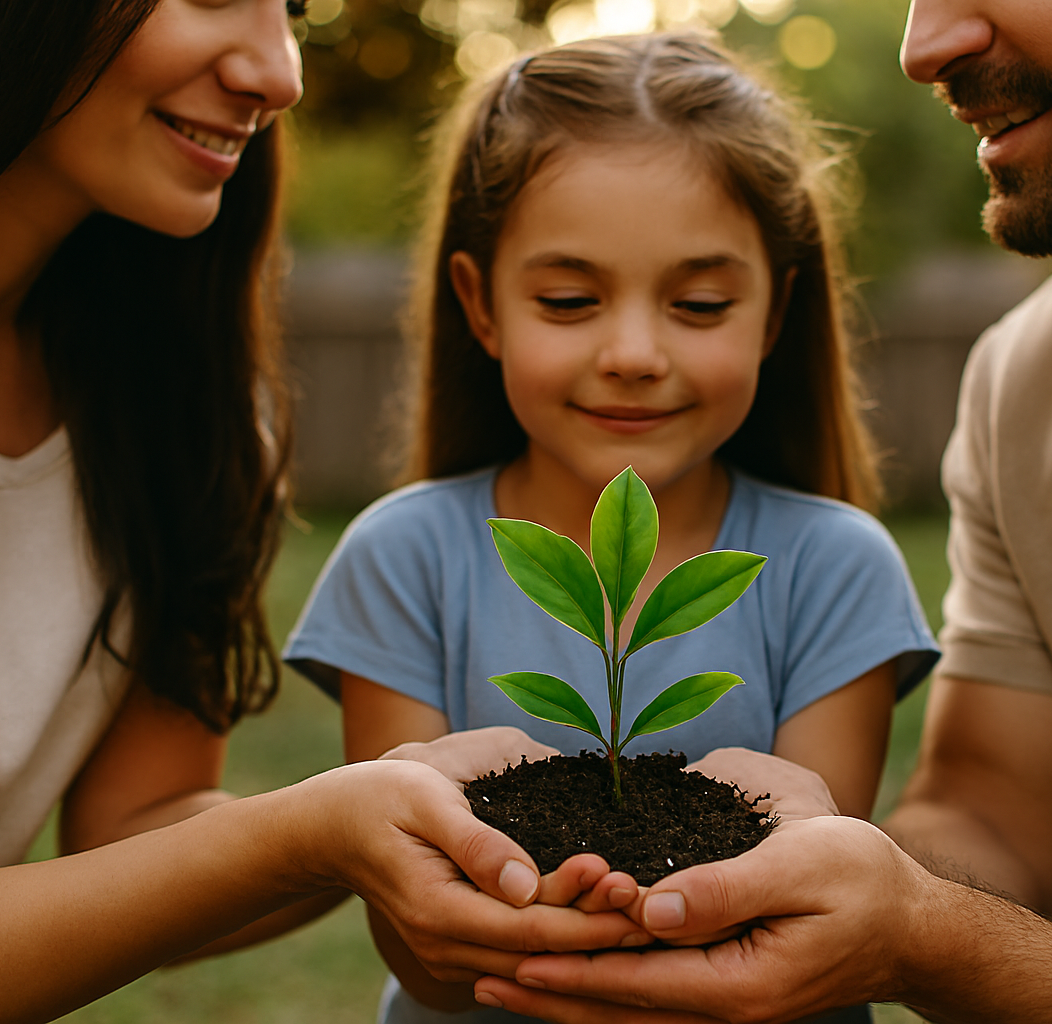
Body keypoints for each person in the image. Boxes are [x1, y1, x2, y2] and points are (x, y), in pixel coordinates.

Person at [464, 0, 1052, 1020]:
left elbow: (942, 926)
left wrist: (932, 937)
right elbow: (999, 819)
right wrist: (779, 867)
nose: (921, 46)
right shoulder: (1030, 382)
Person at [0, 3, 648, 1020]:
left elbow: (140, 828)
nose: (282, 73)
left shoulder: (170, 402)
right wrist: (316, 831)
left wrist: (417, 820)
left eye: (295, 9)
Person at [281, 32, 940, 1024]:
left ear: (773, 313)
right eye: (571, 300)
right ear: (482, 303)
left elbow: (806, 913)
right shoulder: (404, 559)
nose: (633, 351)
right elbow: (428, 959)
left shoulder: (834, 567)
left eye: (701, 302)